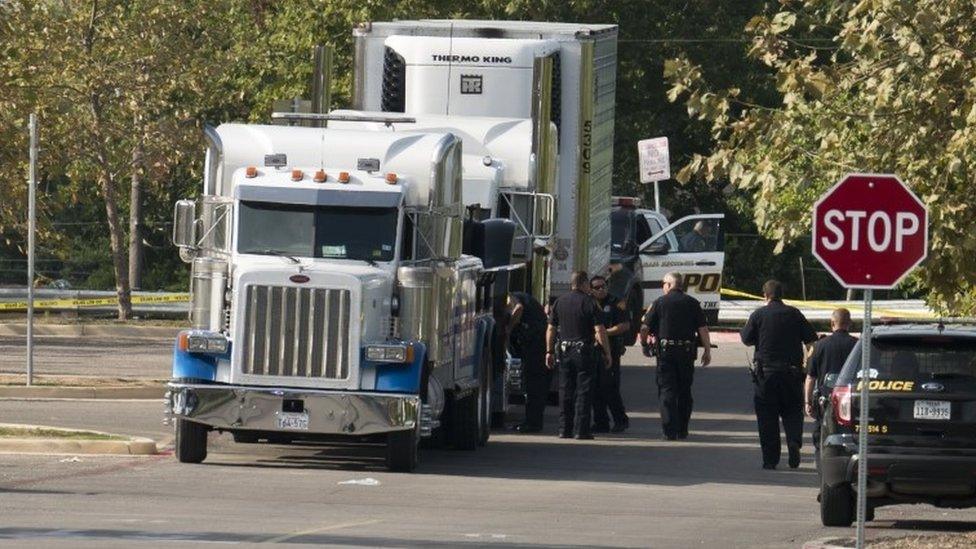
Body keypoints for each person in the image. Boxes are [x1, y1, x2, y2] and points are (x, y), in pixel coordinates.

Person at [740, 280, 818, 470]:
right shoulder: (794, 314)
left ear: (765, 295)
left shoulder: (758, 315)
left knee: (767, 417)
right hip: (791, 373)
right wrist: (808, 367)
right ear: (782, 294)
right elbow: (812, 343)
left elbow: (746, 339)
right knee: (792, 412)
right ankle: (793, 441)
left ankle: (770, 459)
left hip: (765, 375)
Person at [640, 272, 712, 440]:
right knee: (684, 391)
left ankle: (669, 430)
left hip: (666, 353)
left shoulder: (658, 303)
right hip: (686, 353)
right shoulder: (693, 303)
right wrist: (707, 350)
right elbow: (703, 329)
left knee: (667, 391)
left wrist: (644, 345)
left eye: (663, 283)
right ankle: (682, 429)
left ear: (669, 285)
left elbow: (644, 328)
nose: (662, 287)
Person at [546, 271, 612, 440]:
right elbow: (599, 330)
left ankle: (564, 429)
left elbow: (551, 329)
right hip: (584, 352)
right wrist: (606, 352)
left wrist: (549, 351)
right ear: (583, 284)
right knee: (584, 391)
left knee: (565, 391)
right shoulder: (589, 302)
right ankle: (581, 430)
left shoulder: (560, 302)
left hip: (564, 351)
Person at [805, 308, 856, 464]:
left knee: (821, 440)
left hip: (825, 402)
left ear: (832, 323)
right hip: (851, 401)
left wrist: (807, 402)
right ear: (850, 324)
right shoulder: (858, 346)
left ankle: (824, 479)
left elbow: (810, 377)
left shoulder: (820, 346)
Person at [589, 275, 630, 433]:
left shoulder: (616, 302)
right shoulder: (589, 303)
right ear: (591, 290)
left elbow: (625, 325)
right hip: (593, 349)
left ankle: (620, 420)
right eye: (597, 287)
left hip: (611, 350)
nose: (601, 289)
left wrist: (604, 333)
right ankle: (601, 422)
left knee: (610, 387)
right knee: (595, 388)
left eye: (603, 286)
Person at [507, 291, 550, 433]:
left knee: (534, 386)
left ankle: (533, 423)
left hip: (536, 346)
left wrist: (509, 328)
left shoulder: (514, 297)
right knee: (532, 386)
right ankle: (531, 421)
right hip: (535, 346)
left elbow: (518, 308)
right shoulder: (527, 301)